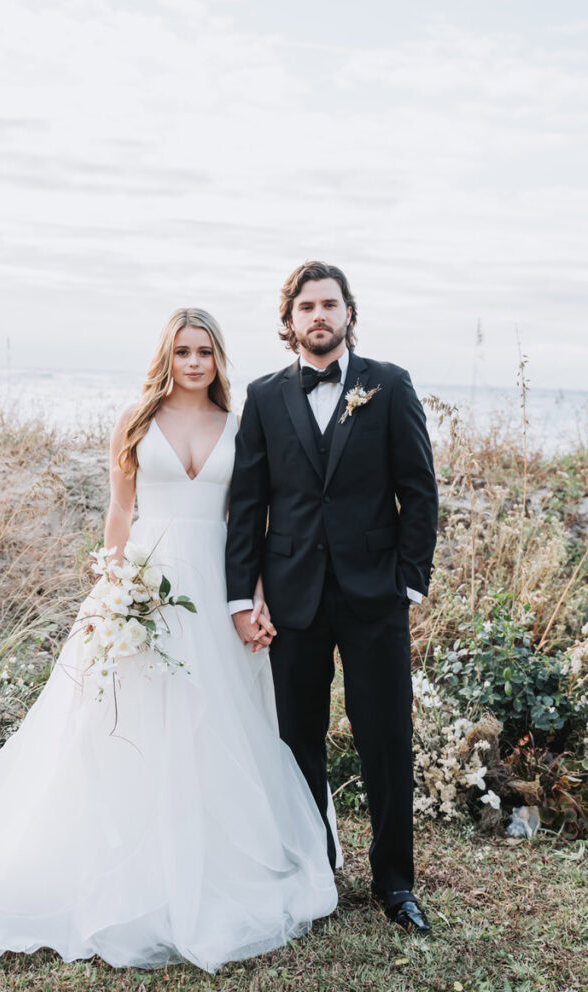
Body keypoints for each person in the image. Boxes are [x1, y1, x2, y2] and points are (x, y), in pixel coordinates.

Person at [0, 309, 339, 972]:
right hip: (146, 579)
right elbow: (119, 510)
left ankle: (214, 851)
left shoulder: (239, 426)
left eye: (205, 351)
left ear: (219, 359)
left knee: (218, 717)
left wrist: (252, 594)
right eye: (183, 351)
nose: (194, 362)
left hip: (215, 584)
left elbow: (250, 517)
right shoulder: (136, 419)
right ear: (167, 355)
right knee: (124, 721)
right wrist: (110, 588)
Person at [226, 261, 439, 935]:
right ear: (288, 322)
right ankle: (313, 872)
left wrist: (407, 578)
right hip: (292, 598)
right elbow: (247, 505)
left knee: (384, 740)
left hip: (374, 594)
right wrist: (240, 596)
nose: (318, 316)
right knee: (298, 744)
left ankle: (394, 884)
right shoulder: (262, 397)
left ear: (348, 313)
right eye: (305, 307)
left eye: (329, 304)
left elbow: (419, 490)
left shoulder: (388, 385)